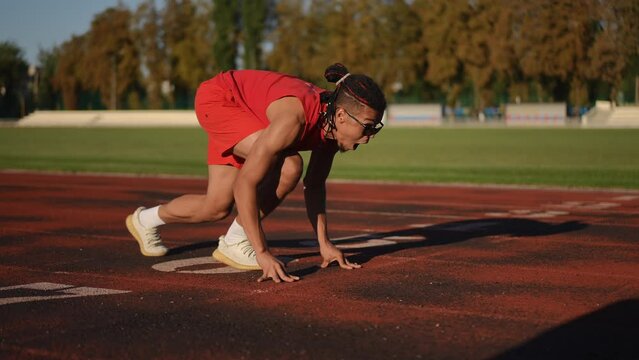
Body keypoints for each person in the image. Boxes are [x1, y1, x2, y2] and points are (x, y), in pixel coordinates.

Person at [125, 63, 387, 283]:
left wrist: (324, 243)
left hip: (249, 112)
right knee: (289, 164)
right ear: (341, 115)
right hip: (220, 100)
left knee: (215, 207)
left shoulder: (330, 128)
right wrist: (261, 251)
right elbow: (245, 185)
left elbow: (315, 185)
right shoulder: (294, 119)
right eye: (367, 127)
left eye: (375, 128)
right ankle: (236, 242)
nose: (369, 137)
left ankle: (144, 220)